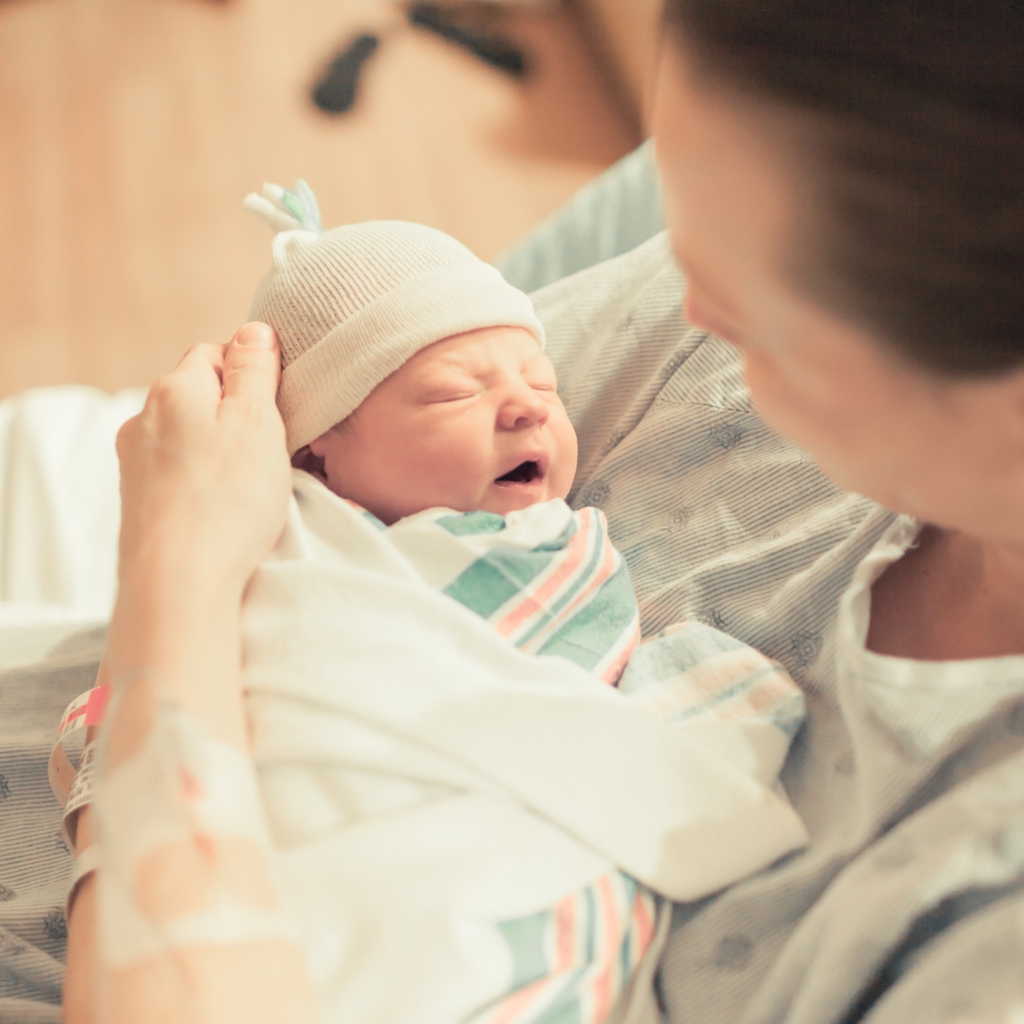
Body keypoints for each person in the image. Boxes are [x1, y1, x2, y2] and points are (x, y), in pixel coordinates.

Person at [64, 0, 1024, 1021]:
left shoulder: (966, 920)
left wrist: (174, 567)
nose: (690, 303)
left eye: (746, 308)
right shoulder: (720, 283)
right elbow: (400, 398)